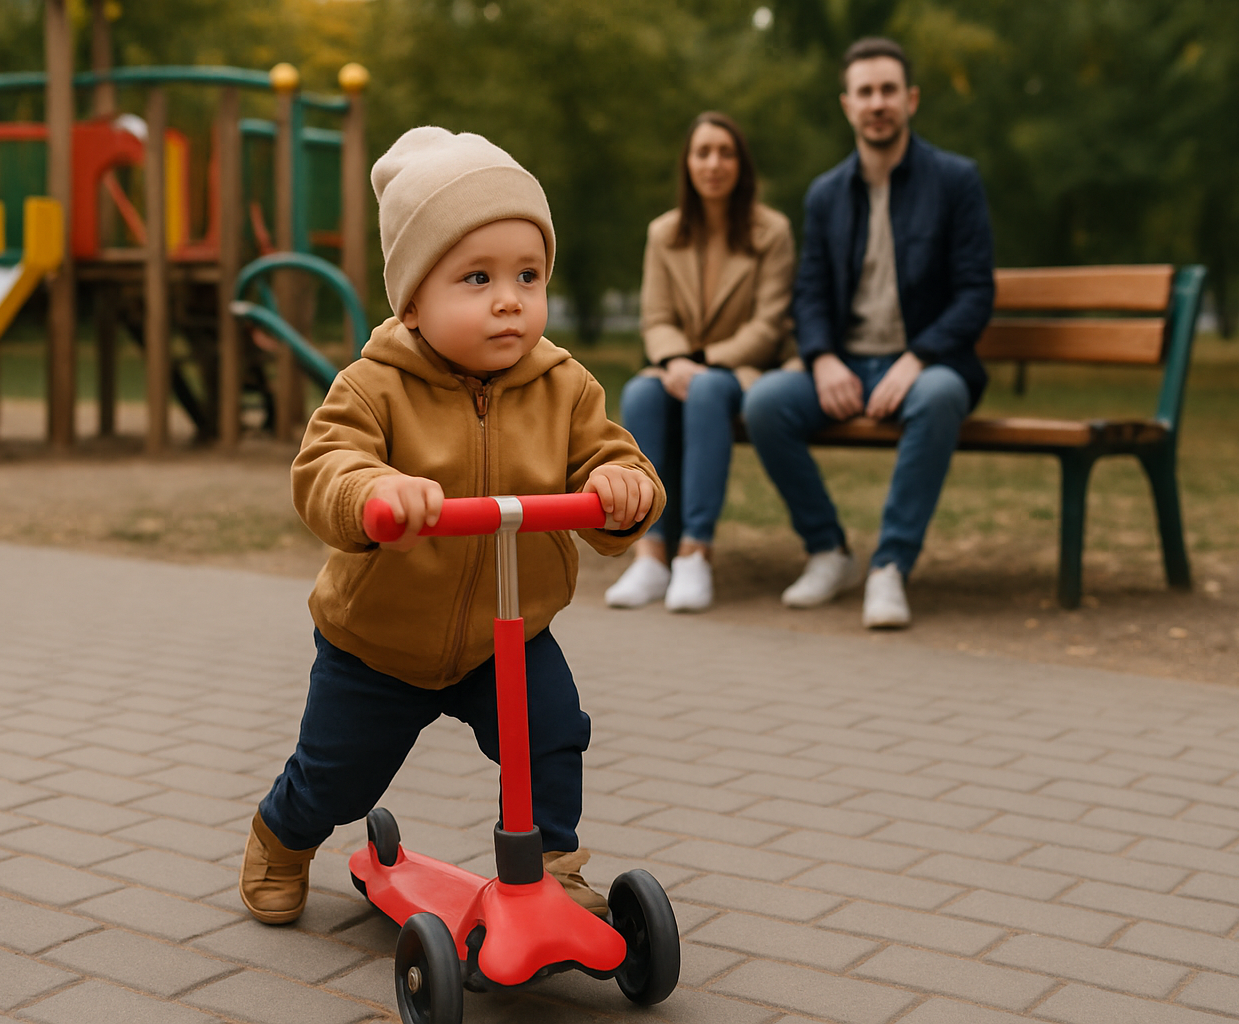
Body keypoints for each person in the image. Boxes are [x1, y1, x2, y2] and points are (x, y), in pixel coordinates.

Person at [239, 127, 663, 925]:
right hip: (381, 641)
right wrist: (376, 496)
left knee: (551, 733)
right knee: (339, 776)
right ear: (413, 301)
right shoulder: (372, 386)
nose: (510, 298)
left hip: (506, 633)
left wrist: (622, 488)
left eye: (527, 275)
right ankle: (282, 835)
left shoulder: (565, 386)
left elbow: (615, 462)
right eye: (478, 277)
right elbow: (325, 465)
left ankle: (548, 868)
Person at [742, 37, 994, 629]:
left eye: (888, 90)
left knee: (937, 396)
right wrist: (822, 357)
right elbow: (809, 292)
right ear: (847, 104)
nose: (877, 103)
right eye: (865, 92)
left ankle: (890, 566)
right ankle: (829, 551)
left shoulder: (956, 180)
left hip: (929, 366)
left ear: (910, 99)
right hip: (848, 366)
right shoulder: (827, 193)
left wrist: (920, 357)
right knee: (765, 403)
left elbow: (976, 292)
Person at [604, 112, 796, 613]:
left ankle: (695, 553)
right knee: (641, 391)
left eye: (725, 152)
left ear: (741, 164)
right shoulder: (663, 233)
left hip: (739, 369)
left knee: (708, 390)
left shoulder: (772, 232)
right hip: (674, 366)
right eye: (702, 152)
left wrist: (703, 361)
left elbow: (768, 325)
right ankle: (650, 554)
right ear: (687, 164)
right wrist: (676, 360)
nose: (713, 163)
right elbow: (657, 317)